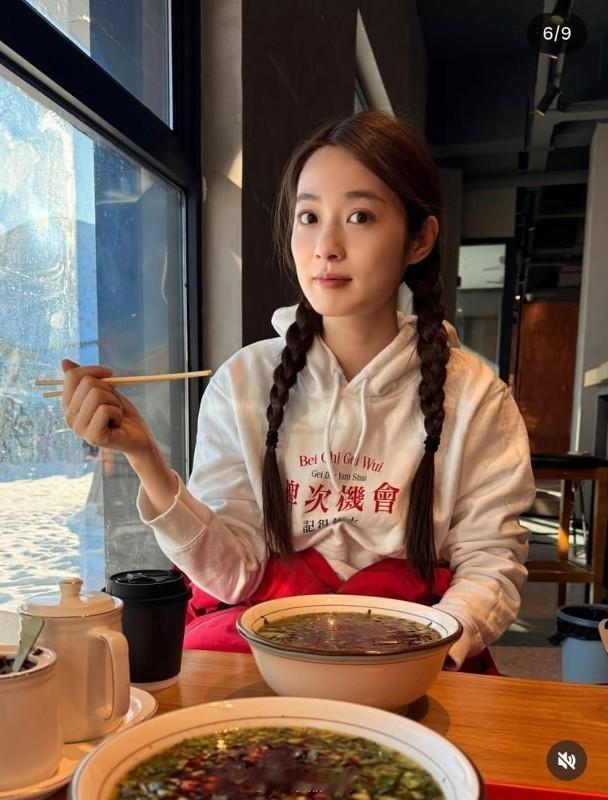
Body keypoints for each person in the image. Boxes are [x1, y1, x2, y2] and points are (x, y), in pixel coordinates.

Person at [61, 110, 535, 672]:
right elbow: (233, 576)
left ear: (419, 239)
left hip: (415, 653)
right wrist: (145, 460)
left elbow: (490, 562)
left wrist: (424, 653)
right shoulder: (244, 381)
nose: (325, 246)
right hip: (268, 645)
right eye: (308, 217)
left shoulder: (476, 397)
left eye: (359, 216)